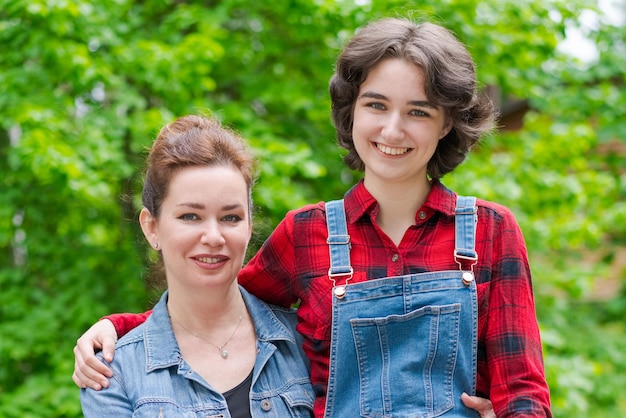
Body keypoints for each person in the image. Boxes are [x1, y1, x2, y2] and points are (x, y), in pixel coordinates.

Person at [74, 17, 551, 417]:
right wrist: (120, 327)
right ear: (352, 111)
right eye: (376, 105)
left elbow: (524, 394)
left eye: (419, 112)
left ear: (446, 122)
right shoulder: (308, 234)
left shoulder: (490, 231)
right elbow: (218, 304)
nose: (392, 129)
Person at [79, 114, 315, 417]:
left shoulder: (305, 339)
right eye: (190, 216)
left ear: (249, 225)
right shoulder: (114, 373)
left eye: (230, 217)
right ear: (152, 228)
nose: (214, 237)